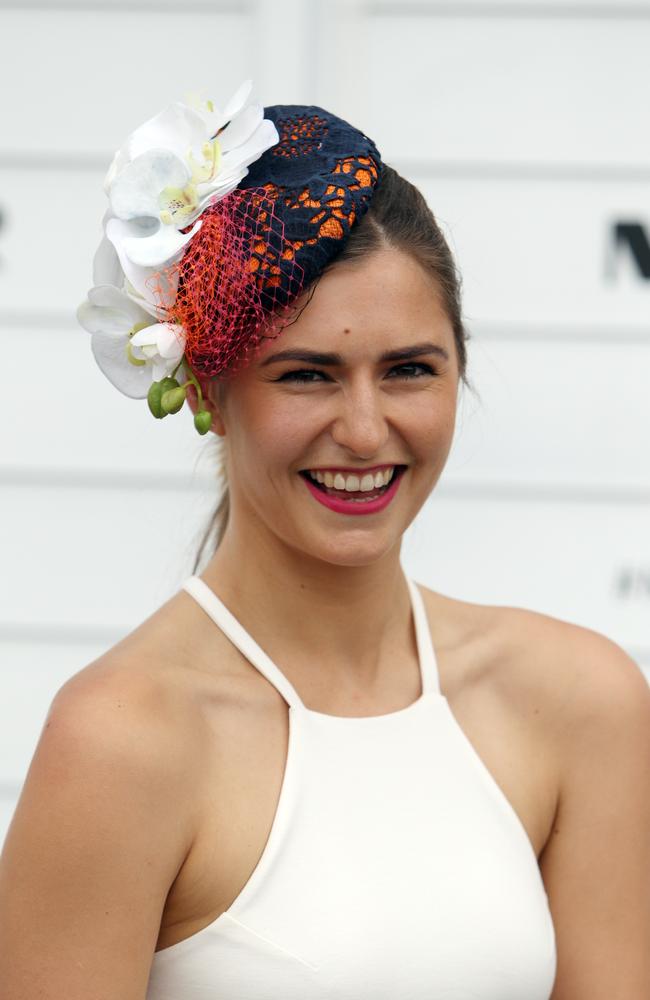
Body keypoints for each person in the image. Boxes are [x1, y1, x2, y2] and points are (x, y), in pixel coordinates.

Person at [1, 83, 649, 1000]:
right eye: (307, 374)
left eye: (409, 371)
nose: (364, 428)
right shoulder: (119, 741)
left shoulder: (583, 700)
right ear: (204, 390)